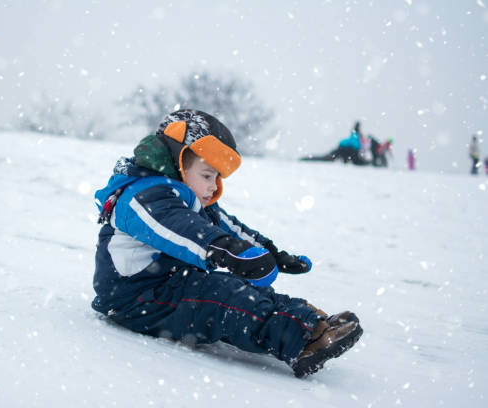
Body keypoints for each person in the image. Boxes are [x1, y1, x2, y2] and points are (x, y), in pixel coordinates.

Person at [92, 109, 363, 378]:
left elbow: (230, 228)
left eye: (218, 178)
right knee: (224, 299)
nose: (214, 186)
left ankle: (312, 324)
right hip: (134, 299)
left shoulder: (189, 197)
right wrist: (226, 250)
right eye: (208, 176)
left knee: (244, 287)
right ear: (178, 162)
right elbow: (181, 229)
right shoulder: (142, 195)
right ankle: (301, 342)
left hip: (169, 284)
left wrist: (271, 253)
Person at [301, 121, 368, 165]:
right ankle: (305, 158)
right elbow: (355, 155)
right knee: (326, 158)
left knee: (326, 158)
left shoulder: (356, 139)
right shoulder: (355, 139)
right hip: (340, 150)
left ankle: (306, 158)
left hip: (341, 150)